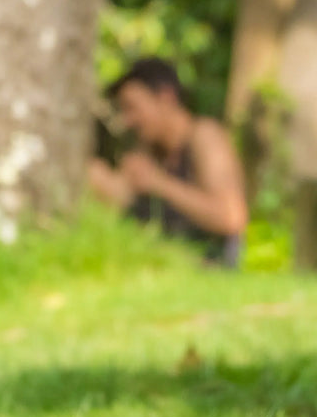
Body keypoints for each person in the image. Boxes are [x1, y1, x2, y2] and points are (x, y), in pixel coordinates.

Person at [88, 57, 249, 267]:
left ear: (166, 98)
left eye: (132, 107)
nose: (127, 120)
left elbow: (231, 218)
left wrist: (159, 184)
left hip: (209, 270)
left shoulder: (204, 136)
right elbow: (123, 200)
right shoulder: (148, 149)